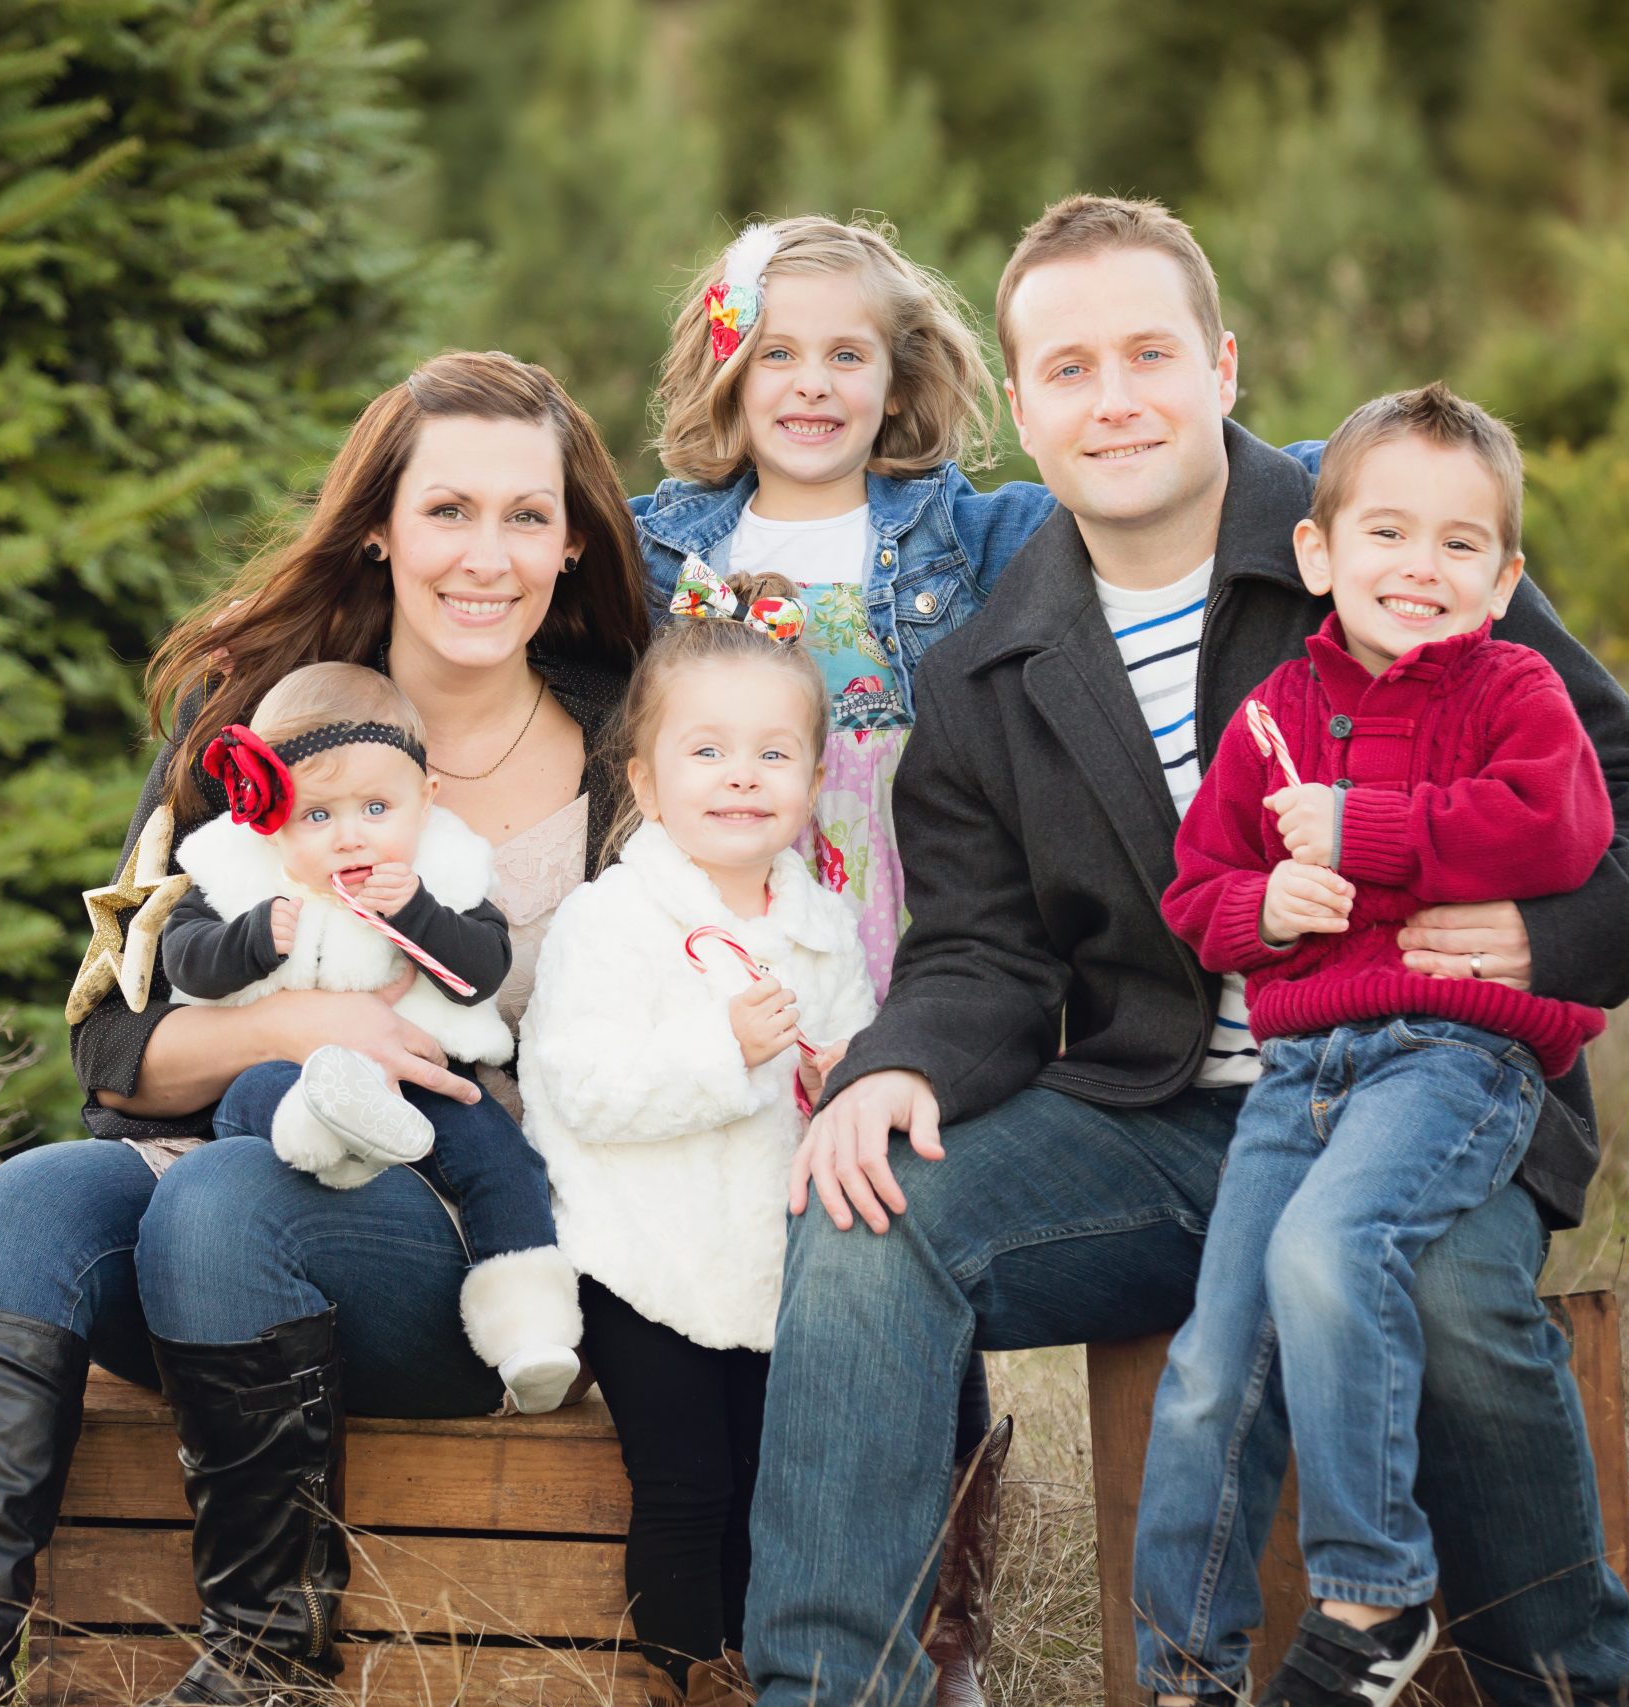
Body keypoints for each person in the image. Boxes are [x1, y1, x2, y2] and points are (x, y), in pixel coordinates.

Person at [743, 196, 1629, 1707]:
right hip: (1157, 1119)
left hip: (1424, 1080)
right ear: (1023, 409)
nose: (1114, 399)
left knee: (1444, 1293)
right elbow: (982, 950)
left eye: (1150, 354)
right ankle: (831, 1691)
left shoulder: (1381, 526)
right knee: (865, 1213)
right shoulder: (990, 667)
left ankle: (1565, 1682)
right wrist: (896, 1065)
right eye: (1069, 369)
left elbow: (1627, 796)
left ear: (1224, 365)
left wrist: (1544, 934)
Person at [0, 350, 649, 1707]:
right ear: (380, 529)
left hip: (484, 1245)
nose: (487, 555)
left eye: (526, 515)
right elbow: (114, 1048)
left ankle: (266, 1666)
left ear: (572, 541)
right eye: (447, 510)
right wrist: (312, 1017)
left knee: (224, 1200)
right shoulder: (253, 724)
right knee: (32, 1196)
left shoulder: (631, 745)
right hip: (225, 1192)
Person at [1134, 383, 1616, 1706]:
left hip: (1453, 1058)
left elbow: (1560, 828)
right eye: (1388, 533)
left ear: (1505, 579)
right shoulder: (1273, 718)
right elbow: (1196, 891)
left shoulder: (1517, 690)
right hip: (1297, 1074)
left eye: (1461, 544)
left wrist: (1366, 831)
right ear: (1318, 553)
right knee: (1210, 1367)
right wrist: (1262, 905)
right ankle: (1183, 1672)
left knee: (1329, 1247)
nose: (1420, 567)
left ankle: (1371, 1592)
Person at [630, 215, 1054, 1698]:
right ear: (727, 368)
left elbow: (1162, 503)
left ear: (900, 376)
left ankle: (940, 1619)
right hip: (725, 945)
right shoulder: (660, 546)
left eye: (849, 355)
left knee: (892, 1228)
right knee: (740, 1241)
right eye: (779, 353)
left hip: (901, 952)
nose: (812, 385)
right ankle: (752, 1600)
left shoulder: (967, 536)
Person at [518, 574, 877, 1701]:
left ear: (814, 779)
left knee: (769, 1486)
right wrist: (724, 1051)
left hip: (774, 1268)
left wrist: (838, 1080)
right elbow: (579, 1088)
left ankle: (764, 1671)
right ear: (643, 779)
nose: (742, 777)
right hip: (644, 1259)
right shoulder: (612, 920)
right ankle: (685, 1673)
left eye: (774, 754)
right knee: (687, 1486)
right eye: (708, 751)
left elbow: (848, 1069)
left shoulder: (822, 929)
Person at [157, 661, 582, 1415]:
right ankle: (333, 1125)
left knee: (502, 1156)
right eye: (317, 816)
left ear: (427, 797)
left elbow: (480, 973)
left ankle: (529, 1330)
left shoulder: (442, 872)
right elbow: (181, 959)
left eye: (377, 808)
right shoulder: (240, 875)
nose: (350, 837)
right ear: (269, 818)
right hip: (289, 1077)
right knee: (256, 1094)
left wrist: (417, 914)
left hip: (424, 1079)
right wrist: (251, 939)